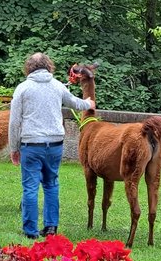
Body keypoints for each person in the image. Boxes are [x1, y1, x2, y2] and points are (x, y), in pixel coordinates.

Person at [8, 53, 95, 239]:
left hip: (31, 145)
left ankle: (30, 231)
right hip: (55, 145)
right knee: (51, 184)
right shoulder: (57, 86)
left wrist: (14, 149)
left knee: (30, 187)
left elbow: (14, 122)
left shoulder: (22, 89)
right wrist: (89, 103)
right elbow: (75, 103)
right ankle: (50, 228)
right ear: (49, 66)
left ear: (29, 67)